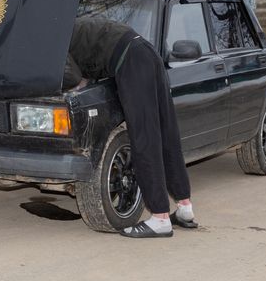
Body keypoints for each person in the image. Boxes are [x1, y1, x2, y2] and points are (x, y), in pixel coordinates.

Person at [65, 16, 198, 238]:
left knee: (144, 137)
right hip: (145, 51)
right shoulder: (67, 25)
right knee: (166, 133)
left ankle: (160, 218)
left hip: (131, 60)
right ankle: (184, 208)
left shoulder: (54, 41)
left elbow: (74, 78)